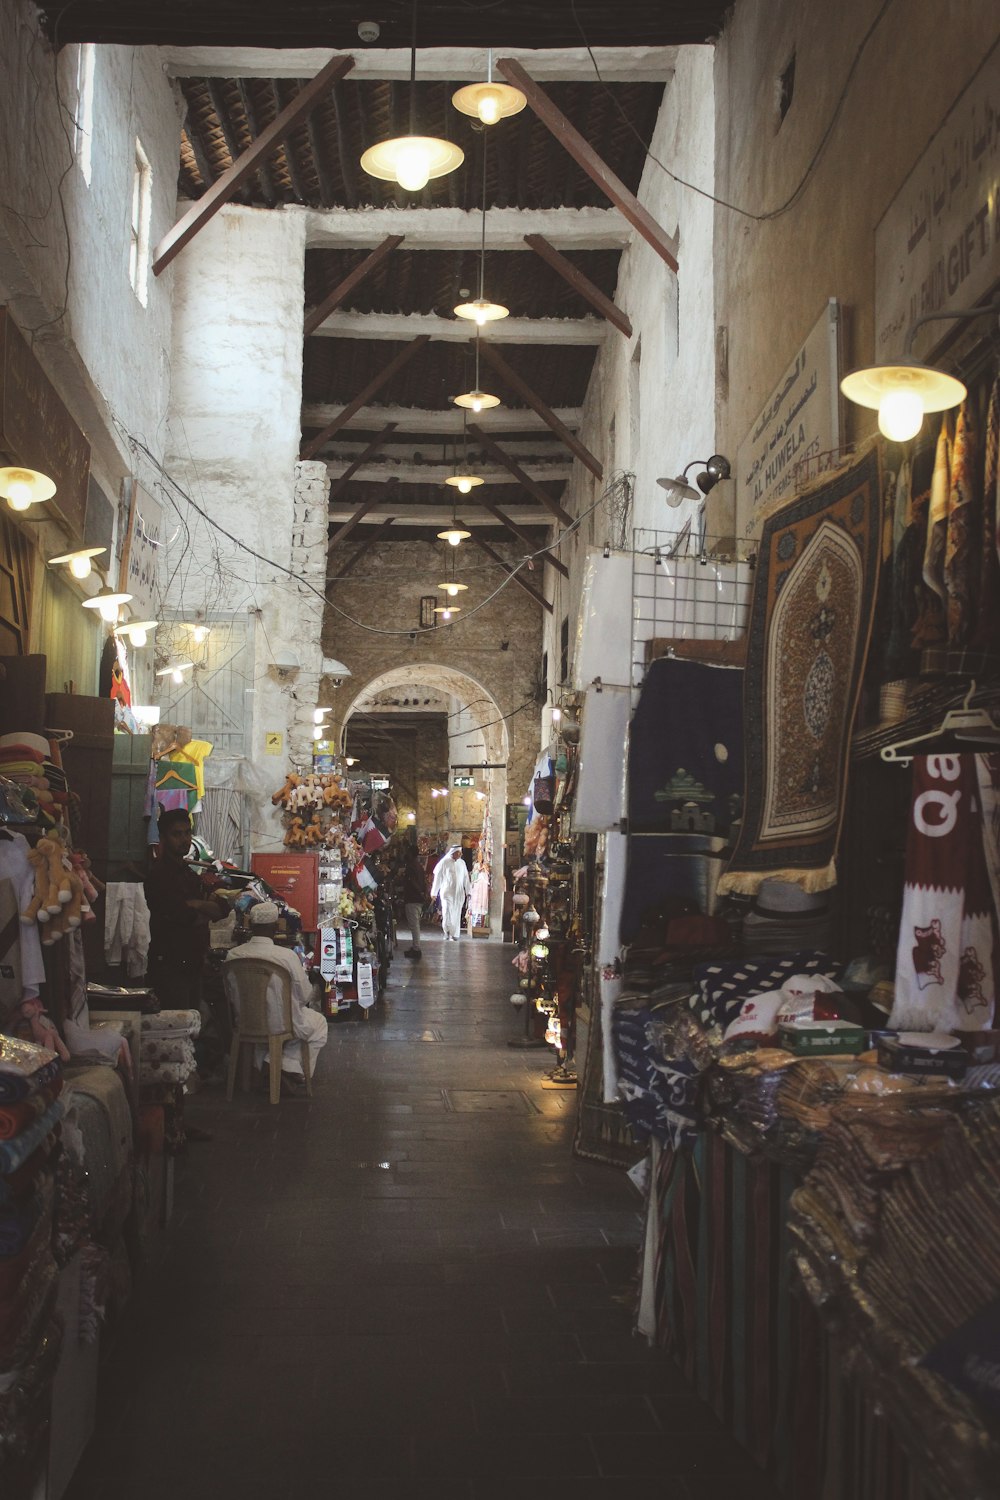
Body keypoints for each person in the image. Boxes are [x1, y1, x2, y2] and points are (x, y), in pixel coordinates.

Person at [223, 902, 328, 1095]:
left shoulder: (233, 955)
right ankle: (284, 1069)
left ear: (251, 925)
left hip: (245, 1022)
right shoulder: (286, 957)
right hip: (282, 1025)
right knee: (319, 1024)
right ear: (275, 926)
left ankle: (270, 1067)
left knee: (269, 1039)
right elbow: (305, 995)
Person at [144, 806, 228, 1011]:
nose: (184, 839)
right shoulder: (160, 875)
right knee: (178, 1025)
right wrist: (202, 910)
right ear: (163, 838)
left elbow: (222, 909)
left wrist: (198, 904)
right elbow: (187, 916)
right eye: (176, 834)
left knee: (193, 1025)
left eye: (187, 833)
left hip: (193, 964)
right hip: (170, 966)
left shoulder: (188, 874)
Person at [431, 845, 471, 941]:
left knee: (456, 913)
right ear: (453, 853)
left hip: (459, 893)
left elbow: (466, 878)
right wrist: (434, 892)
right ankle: (447, 931)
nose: (461, 854)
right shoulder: (444, 863)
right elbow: (438, 878)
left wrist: (468, 891)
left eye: (461, 852)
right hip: (447, 892)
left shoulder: (462, 863)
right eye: (459, 852)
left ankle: (454, 934)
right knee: (447, 911)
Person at [402, 847, 428, 960]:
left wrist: (420, 893)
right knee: (415, 924)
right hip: (417, 898)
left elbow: (412, 881)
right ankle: (415, 946)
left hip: (413, 898)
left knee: (414, 925)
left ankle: (416, 948)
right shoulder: (419, 866)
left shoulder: (411, 866)